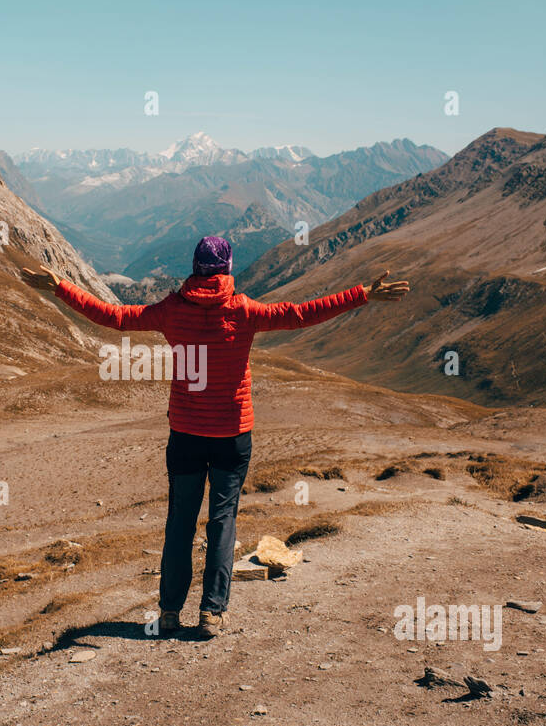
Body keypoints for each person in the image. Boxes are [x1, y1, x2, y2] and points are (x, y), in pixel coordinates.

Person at [22, 236, 409, 639]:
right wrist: (362, 294)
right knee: (222, 522)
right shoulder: (243, 310)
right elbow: (299, 314)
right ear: (227, 269)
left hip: (186, 434)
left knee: (179, 523)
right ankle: (212, 613)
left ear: (193, 267)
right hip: (232, 434)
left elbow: (114, 316)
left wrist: (61, 287)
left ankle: (169, 613)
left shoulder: (171, 310)